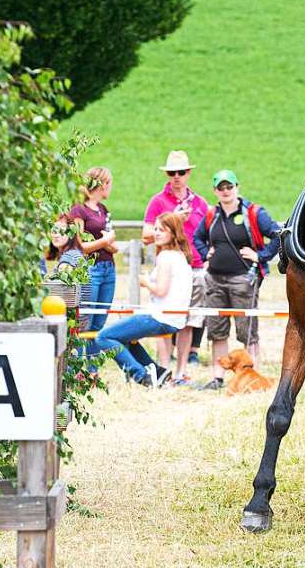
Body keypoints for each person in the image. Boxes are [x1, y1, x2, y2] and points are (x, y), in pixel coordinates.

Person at [193, 169, 281, 390]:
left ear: (237, 187)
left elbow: (279, 235)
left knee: (247, 330)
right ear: (215, 191)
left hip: (244, 279)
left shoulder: (254, 213)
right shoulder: (212, 215)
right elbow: (197, 237)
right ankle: (218, 378)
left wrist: (261, 256)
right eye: (221, 187)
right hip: (214, 280)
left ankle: (252, 377)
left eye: (229, 186)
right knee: (217, 330)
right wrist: (205, 254)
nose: (225, 191)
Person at [91, 212, 192, 387]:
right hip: (173, 319)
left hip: (159, 317)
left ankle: (141, 375)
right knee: (123, 337)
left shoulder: (166, 256)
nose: (157, 233)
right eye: (156, 229)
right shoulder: (180, 255)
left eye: (162, 230)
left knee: (103, 337)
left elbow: (161, 290)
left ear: (173, 233)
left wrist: (145, 282)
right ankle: (158, 372)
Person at [143, 150, 209, 381]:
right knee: (162, 317)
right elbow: (145, 235)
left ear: (189, 173)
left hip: (195, 266)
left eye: (181, 172)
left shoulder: (201, 202)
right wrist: (173, 218)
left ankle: (181, 370)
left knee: (187, 320)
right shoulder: (158, 201)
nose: (177, 176)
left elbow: (209, 233)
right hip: (167, 264)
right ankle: (163, 369)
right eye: (172, 172)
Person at [70, 167, 119, 333]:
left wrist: (106, 242)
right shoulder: (79, 210)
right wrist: (105, 241)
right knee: (85, 322)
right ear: (104, 184)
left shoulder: (104, 210)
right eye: (110, 183)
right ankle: (79, 358)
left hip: (108, 268)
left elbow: (114, 246)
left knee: (99, 324)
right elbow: (80, 246)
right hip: (90, 269)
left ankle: (91, 358)